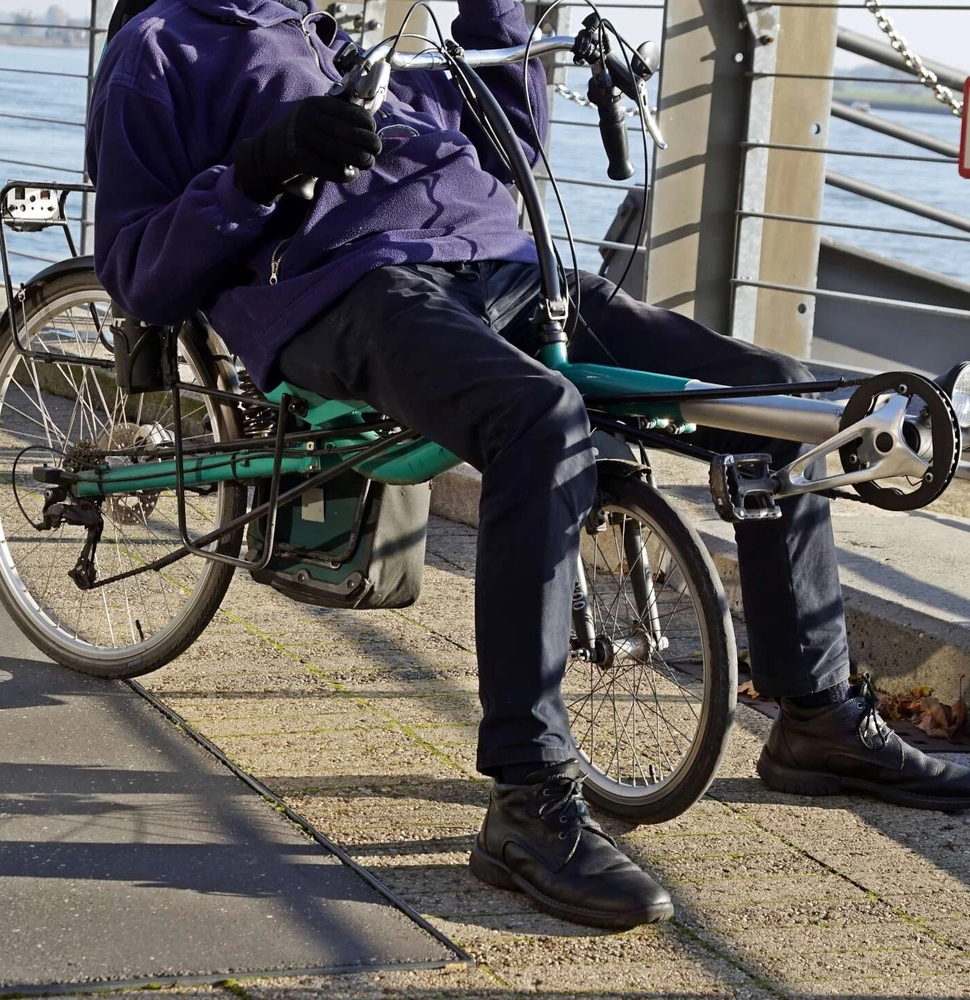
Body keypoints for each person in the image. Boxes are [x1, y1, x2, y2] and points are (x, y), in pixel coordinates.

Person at [87, 0, 970, 931]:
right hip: (340, 288)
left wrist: (501, 12)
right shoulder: (161, 45)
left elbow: (505, 142)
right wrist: (261, 169)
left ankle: (818, 719)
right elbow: (135, 268)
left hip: (499, 267)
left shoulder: (336, 31)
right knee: (538, 421)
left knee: (784, 400)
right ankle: (527, 797)